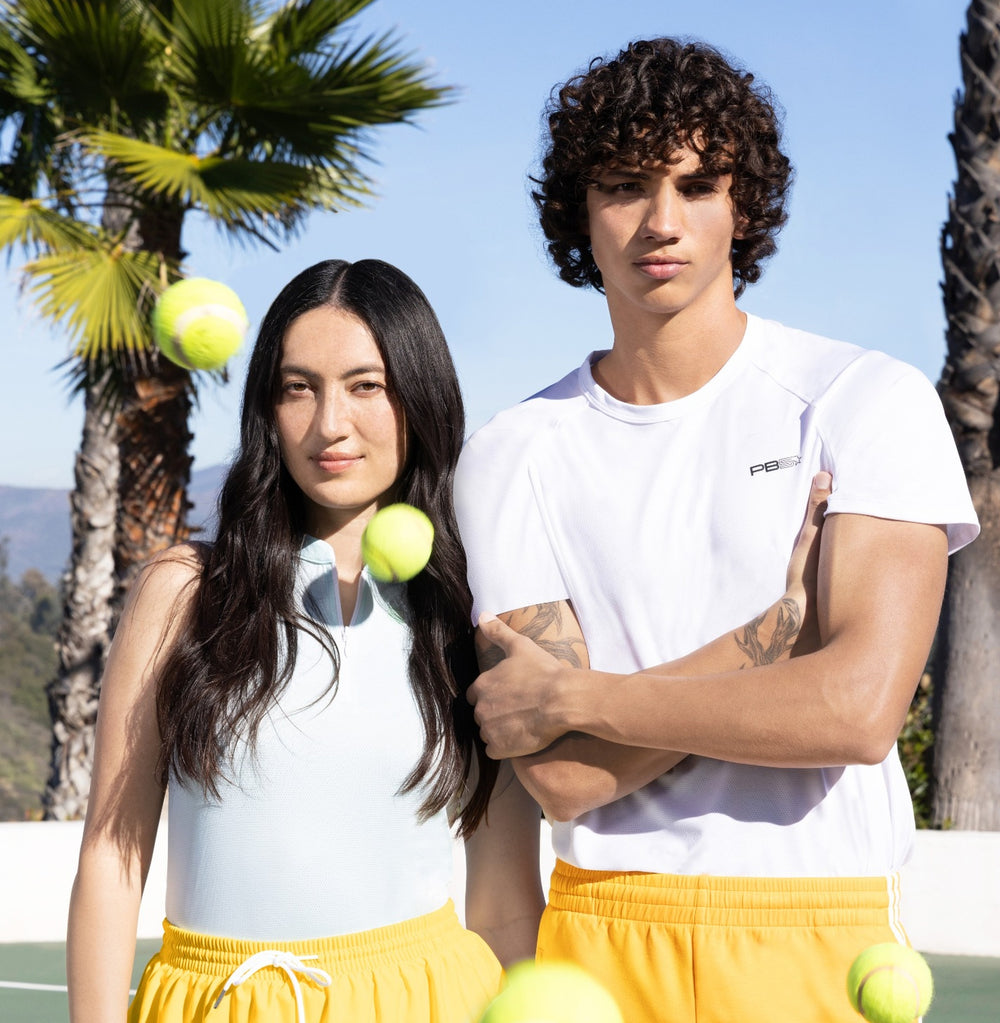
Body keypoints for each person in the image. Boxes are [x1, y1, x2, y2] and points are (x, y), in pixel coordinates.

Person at [454, 38, 979, 1023]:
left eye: (698, 185)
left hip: (820, 938)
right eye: (623, 184)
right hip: (596, 945)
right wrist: (779, 636)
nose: (662, 221)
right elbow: (563, 778)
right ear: (578, 209)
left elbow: (857, 714)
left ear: (743, 207)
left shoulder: (863, 401)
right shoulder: (512, 451)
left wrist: (582, 693)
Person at [67, 258, 544, 1023]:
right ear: (268, 408)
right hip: (214, 1002)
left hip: (429, 1000)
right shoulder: (183, 592)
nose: (330, 424)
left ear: (417, 398)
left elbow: (504, 902)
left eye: (366, 385)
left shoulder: (473, 613)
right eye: (299, 387)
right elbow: (111, 857)